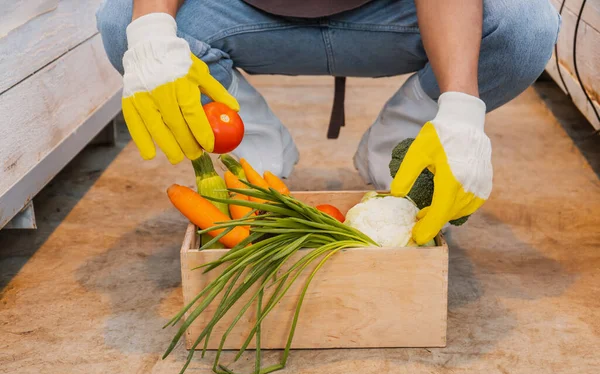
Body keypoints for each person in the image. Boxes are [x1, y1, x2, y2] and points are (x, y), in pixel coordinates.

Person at [96, 0, 560, 244]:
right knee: (125, 18)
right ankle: (257, 159)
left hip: (393, 15)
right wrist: (150, 32)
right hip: (244, 13)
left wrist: (460, 110)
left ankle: (396, 151)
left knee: (523, 25)